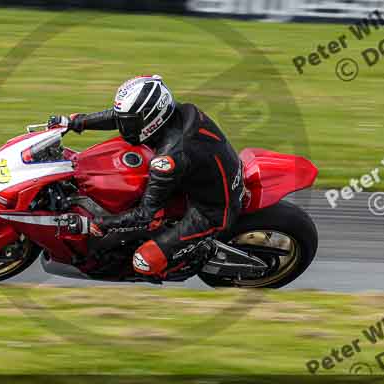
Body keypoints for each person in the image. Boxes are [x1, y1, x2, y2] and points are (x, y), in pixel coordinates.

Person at [48, 74, 245, 279]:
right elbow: (120, 116)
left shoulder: (169, 158)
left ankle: (202, 250)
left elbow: (145, 215)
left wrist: (99, 223)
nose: (124, 128)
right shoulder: (174, 113)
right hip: (199, 175)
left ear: (152, 118)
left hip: (211, 210)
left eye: (130, 124)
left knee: (144, 262)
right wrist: (75, 122)